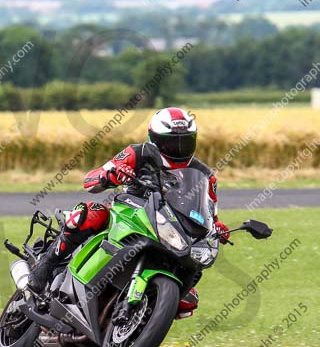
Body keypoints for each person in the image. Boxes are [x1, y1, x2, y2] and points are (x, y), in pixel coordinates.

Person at [27, 107, 230, 319]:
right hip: (129, 211)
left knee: (192, 276)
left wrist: (217, 227)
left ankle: (147, 308)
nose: (178, 147)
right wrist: (110, 175)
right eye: (171, 142)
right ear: (155, 139)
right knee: (89, 214)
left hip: (168, 224)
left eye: (185, 141)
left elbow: (209, 210)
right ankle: (46, 265)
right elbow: (91, 180)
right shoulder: (139, 152)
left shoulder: (204, 174)